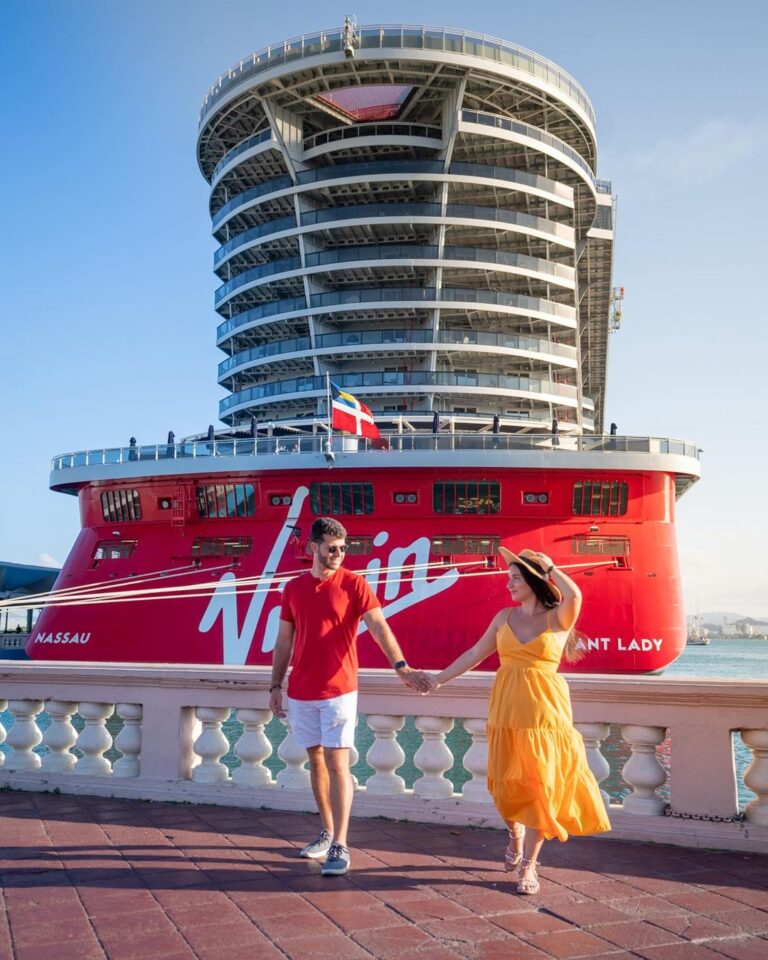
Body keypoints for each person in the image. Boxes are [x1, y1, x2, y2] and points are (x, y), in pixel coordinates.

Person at [429, 547, 610, 894]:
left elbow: (575, 594)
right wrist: (438, 679)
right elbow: (474, 653)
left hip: (545, 715)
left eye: (515, 578)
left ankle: (529, 865)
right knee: (505, 783)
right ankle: (514, 833)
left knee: (542, 786)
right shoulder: (503, 617)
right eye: (509, 578)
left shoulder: (558, 617)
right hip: (507, 710)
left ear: (533, 580)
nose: (509, 584)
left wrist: (550, 567)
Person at [269, 516, 431, 877]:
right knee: (315, 762)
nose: (338, 554)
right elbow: (283, 641)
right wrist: (275, 685)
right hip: (301, 691)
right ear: (313, 547)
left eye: (343, 548)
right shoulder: (293, 589)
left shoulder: (355, 584)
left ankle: (341, 844)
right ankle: (326, 832)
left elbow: (379, 627)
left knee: (338, 765)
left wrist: (401, 667)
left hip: (339, 690)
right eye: (332, 548)